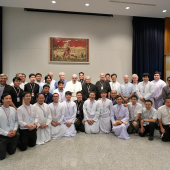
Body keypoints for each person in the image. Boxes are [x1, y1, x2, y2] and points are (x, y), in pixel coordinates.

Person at [0, 94, 18, 160]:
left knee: (12, 152)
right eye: (6, 98)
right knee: (1, 157)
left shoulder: (13, 109)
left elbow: (16, 121)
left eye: (10, 98)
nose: (8, 100)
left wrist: (15, 130)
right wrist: (6, 133)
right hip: (2, 136)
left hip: (13, 134)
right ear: (2, 100)